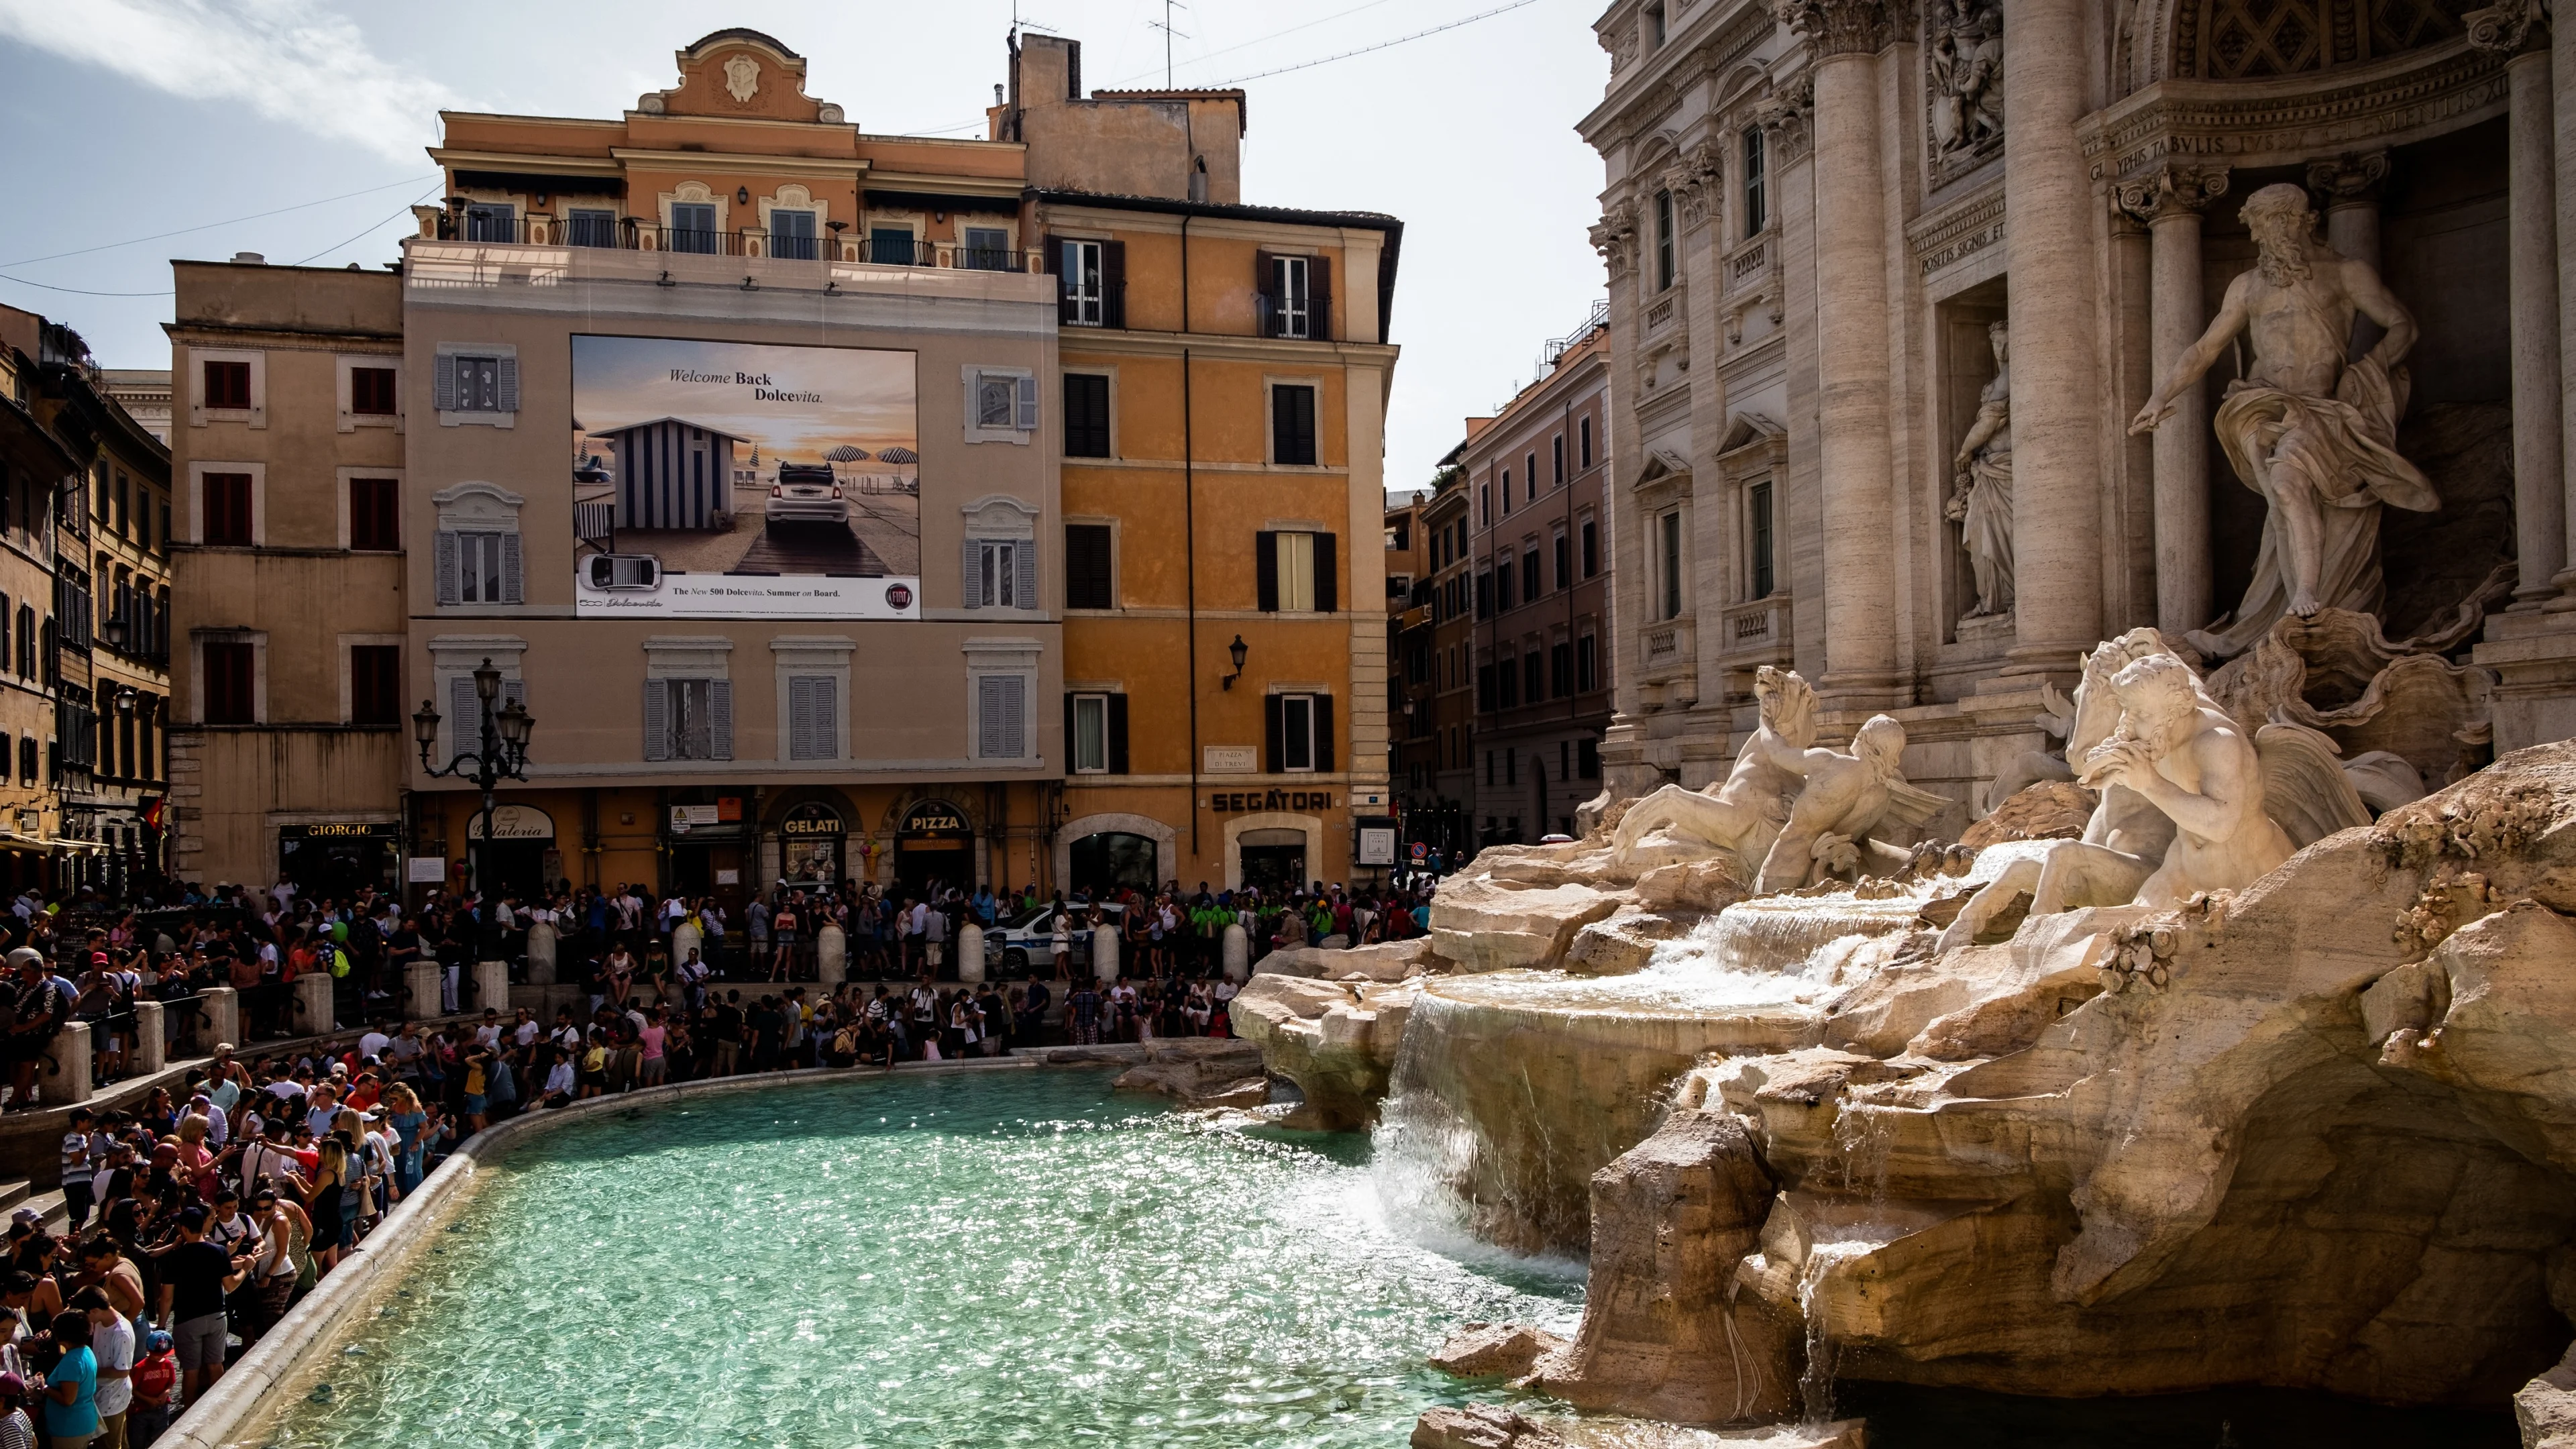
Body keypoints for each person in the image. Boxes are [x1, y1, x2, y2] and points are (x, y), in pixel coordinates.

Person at [72, 1289, 127, 1449]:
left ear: (95, 1311)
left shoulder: (121, 1333)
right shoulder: (101, 1322)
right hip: (102, 1394)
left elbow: (123, 1371)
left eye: (86, 1316)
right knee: (119, 1442)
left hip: (113, 1399)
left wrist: (90, 1371)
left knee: (110, 1444)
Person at [40, 1309, 97, 1449]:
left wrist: (44, 1388)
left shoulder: (72, 1361)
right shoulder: (86, 1351)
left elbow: (68, 1400)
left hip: (70, 1428)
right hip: (84, 1422)